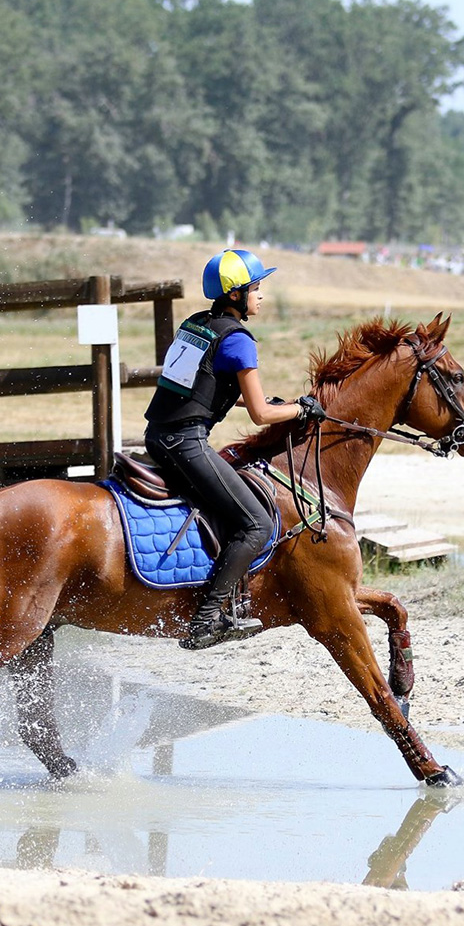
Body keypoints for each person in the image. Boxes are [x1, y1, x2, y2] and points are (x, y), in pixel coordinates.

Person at [143, 249, 325, 649]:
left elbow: (207, 389)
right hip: (186, 442)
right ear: (235, 295)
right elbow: (260, 415)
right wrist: (300, 409)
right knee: (257, 523)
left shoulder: (196, 325)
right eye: (256, 288)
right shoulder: (239, 340)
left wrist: (278, 406)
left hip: (158, 435)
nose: (261, 295)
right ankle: (205, 621)